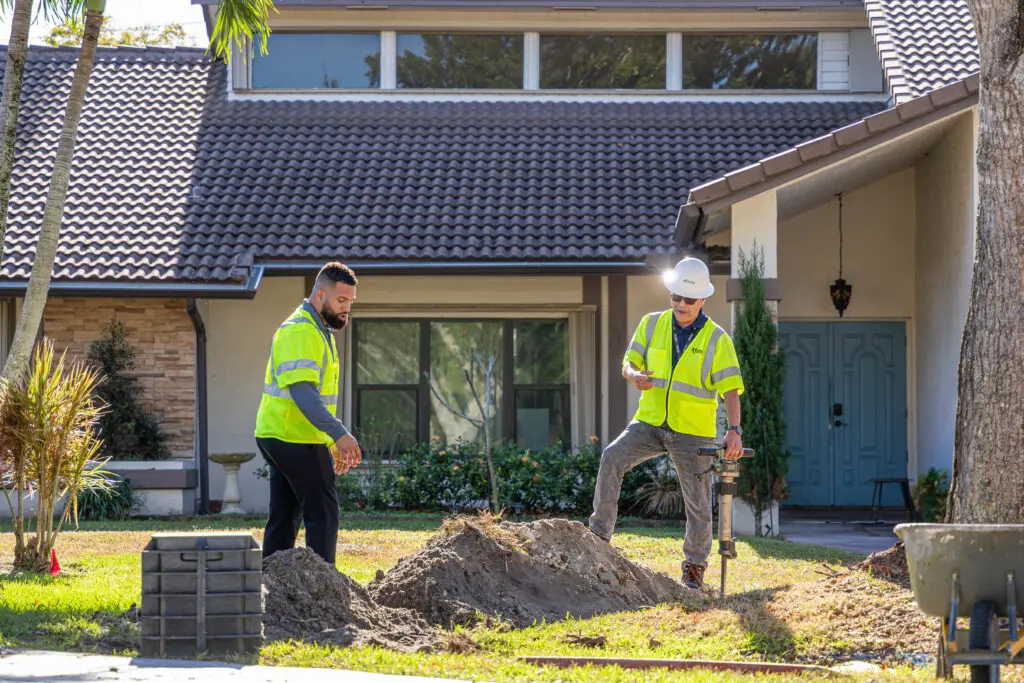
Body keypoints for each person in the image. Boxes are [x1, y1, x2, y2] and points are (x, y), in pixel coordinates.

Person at [588, 256, 745, 591]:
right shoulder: (651, 324)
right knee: (612, 457)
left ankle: (694, 567)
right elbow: (629, 362)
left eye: (689, 299)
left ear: (703, 299)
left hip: (693, 430)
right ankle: (598, 536)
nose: (681, 304)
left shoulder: (718, 340)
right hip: (650, 422)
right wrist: (634, 376)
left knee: (698, 501)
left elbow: (731, 390)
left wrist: (734, 431)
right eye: (676, 296)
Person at [254, 262, 362, 566]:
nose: (346, 309)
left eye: (350, 302)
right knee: (323, 512)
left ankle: (271, 588)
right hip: (293, 437)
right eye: (341, 301)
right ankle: (325, 591)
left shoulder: (316, 330)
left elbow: (313, 399)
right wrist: (339, 434)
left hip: (281, 434)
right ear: (319, 295)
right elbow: (304, 395)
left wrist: (328, 440)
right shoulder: (302, 331)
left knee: (285, 516)